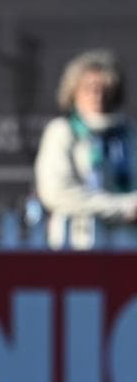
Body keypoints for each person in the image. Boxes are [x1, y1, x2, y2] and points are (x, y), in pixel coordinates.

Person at [34, 49, 137, 249]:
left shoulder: (128, 133)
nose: (98, 96)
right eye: (90, 88)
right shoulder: (62, 132)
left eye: (106, 89)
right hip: (77, 243)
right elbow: (57, 193)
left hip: (127, 245)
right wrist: (124, 208)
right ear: (73, 91)